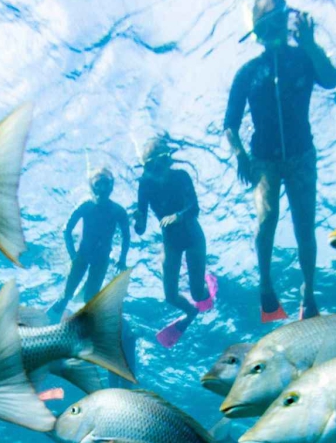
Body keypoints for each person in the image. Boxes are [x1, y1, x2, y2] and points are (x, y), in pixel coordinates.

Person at [224, 0, 336, 322]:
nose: (276, 30)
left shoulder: (303, 57)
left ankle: (308, 294)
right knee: (267, 217)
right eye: (269, 24)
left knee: (305, 226)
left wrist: (310, 45)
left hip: (302, 154)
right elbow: (230, 124)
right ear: (257, 30)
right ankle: (266, 287)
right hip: (263, 160)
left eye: (280, 21)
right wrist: (240, 154)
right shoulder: (247, 73)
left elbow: (331, 79)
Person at [135, 133, 214, 347]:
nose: (157, 169)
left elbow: (194, 208)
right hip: (171, 242)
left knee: (198, 293)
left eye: (160, 162)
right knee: (170, 296)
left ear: (168, 159)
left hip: (193, 236)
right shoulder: (144, 185)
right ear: (146, 167)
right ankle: (191, 313)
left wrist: (178, 216)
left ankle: (207, 286)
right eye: (151, 166)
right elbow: (141, 229)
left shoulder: (181, 176)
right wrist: (138, 220)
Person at [52, 168, 129, 320]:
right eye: (98, 184)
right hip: (83, 256)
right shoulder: (86, 205)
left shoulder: (118, 211)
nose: (102, 188)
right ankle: (62, 305)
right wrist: (72, 254)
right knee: (67, 294)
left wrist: (122, 260)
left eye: (105, 184)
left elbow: (126, 236)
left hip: (100, 259)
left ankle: (86, 319)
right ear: (92, 186)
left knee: (90, 298)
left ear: (111, 186)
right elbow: (66, 230)